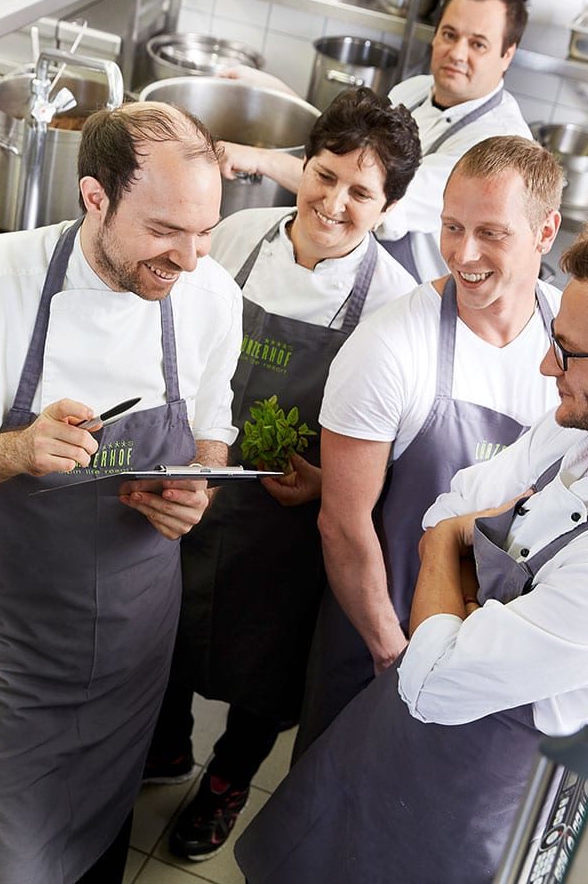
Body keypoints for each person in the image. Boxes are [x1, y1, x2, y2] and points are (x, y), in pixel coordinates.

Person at [235, 215, 588, 882]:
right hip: (389, 748)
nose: (546, 366)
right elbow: (448, 506)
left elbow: (432, 682)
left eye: (568, 353)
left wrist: (450, 547)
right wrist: (451, 552)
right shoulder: (580, 429)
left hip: (466, 806)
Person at [0, 101, 243, 884]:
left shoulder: (210, 298)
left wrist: (196, 486)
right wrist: (15, 449)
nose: (190, 259)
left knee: (103, 841)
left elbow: (213, 421)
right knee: (17, 865)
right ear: (94, 197)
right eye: (165, 232)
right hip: (25, 651)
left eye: (205, 233)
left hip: (142, 640)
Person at [144, 88, 422, 861]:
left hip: (290, 524)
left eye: (361, 192)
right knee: (160, 623)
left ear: (388, 205)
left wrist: (329, 486)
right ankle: (164, 748)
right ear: (304, 165)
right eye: (325, 174)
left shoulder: (394, 307)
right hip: (193, 481)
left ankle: (229, 779)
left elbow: (391, 449)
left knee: (269, 665)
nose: (334, 202)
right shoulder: (235, 237)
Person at [297, 135, 562, 757]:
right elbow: (343, 523)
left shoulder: (569, 341)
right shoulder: (390, 346)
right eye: (451, 226)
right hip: (381, 636)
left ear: (545, 232)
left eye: (491, 234)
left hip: (500, 660)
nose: (463, 253)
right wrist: (395, 654)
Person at [220, 0, 531, 283]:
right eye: (449, 35)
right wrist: (276, 94)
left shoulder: (498, 147)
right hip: (353, 265)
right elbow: (351, 151)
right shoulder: (415, 90)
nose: (457, 53)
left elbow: (373, 201)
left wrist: (259, 158)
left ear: (507, 55)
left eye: (478, 44)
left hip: (412, 291)